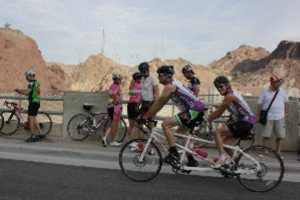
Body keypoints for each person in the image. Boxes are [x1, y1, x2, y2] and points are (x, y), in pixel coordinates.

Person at [137, 65, 206, 167]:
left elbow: (157, 104)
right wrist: (149, 116)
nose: (158, 78)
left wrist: (144, 117)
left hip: (194, 110)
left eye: (159, 75)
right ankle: (191, 159)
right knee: (180, 134)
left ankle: (173, 153)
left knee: (165, 124)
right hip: (196, 110)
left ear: (165, 76)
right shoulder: (173, 85)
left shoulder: (170, 86)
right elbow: (160, 105)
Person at [206, 76, 255, 169]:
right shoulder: (229, 95)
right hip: (244, 122)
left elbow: (217, 111)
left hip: (245, 121)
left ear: (227, 85)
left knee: (217, 132)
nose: (219, 89)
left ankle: (222, 160)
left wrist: (206, 120)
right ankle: (238, 163)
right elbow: (219, 114)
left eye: (221, 86)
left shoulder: (230, 96)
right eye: (217, 88)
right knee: (224, 144)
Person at [257, 75, 289, 159]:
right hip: (268, 117)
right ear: (271, 83)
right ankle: (266, 151)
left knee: (280, 135)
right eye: (276, 82)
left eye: (279, 82)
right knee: (266, 135)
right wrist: (258, 115)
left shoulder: (282, 91)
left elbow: (287, 103)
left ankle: (278, 152)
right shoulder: (265, 91)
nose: (278, 84)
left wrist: (286, 114)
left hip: (280, 116)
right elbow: (260, 103)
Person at [14, 69, 44, 142]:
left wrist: (19, 91)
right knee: (33, 119)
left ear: (30, 76)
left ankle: (33, 136)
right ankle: (40, 133)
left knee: (31, 119)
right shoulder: (37, 82)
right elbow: (31, 91)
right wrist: (22, 90)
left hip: (32, 103)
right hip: (37, 102)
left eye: (27, 76)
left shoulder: (31, 83)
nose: (26, 78)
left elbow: (27, 93)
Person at [138, 62, 160, 154]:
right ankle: (141, 146)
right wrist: (138, 104)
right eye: (141, 71)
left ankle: (152, 147)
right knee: (140, 125)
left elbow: (157, 92)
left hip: (150, 103)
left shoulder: (152, 78)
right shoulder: (142, 79)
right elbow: (141, 93)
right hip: (143, 104)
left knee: (151, 126)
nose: (143, 73)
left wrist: (155, 105)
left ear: (148, 69)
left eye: (144, 71)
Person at [102, 73, 123, 147]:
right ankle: (112, 141)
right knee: (114, 125)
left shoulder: (111, 86)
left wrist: (112, 102)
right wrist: (115, 101)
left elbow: (111, 95)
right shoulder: (117, 86)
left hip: (109, 106)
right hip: (115, 108)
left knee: (112, 124)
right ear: (116, 80)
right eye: (120, 79)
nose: (121, 80)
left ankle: (104, 137)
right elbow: (114, 93)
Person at [127, 72, 144, 150]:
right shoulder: (140, 86)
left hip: (129, 105)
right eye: (140, 78)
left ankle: (130, 141)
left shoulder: (131, 86)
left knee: (131, 125)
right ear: (137, 79)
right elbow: (142, 96)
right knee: (137, 125)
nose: (141, 79)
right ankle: (131, 142)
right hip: (135, 106)